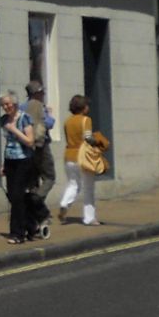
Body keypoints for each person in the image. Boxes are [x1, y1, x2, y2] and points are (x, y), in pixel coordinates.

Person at [59, 94, 107, 225]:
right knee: (88, 188)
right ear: (83, 108)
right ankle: (89, 218)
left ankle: (64, 203)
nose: (88, 108)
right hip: (83, 156)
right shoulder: (86, 120)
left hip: (69, 155)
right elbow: (88, 138)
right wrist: (98, 141)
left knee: (73, 184)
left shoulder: (67, 121)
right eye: (87, 105)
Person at [0, 92, 40, 242]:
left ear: (15, 104)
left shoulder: (24, 118)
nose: (6, 107)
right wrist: (3, 164)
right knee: (13, 196)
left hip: (24, 160)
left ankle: (17, 234)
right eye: (3, 105)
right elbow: (7, 143)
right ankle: (31, 225)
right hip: (10, 160)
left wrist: (14, 130)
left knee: (17, 196)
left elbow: (30, 141)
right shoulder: (4, 120)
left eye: (8, 104)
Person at [24, 82, 56, 231]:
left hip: (27, 148)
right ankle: (36, 202)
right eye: (42, 93)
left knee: (33, 182)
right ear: (37, 93)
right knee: (49, 177)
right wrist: (49, 114)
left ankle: (33, 217)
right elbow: (49, 123)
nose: (43, 95)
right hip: (42, 147)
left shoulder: (22, 107)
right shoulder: (40, 106)